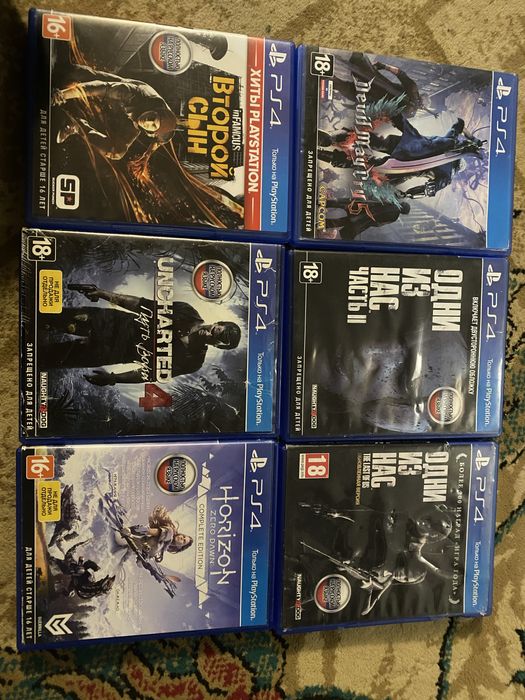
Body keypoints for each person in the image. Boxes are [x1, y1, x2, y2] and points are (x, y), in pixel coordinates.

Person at [40, 285, 241, 386]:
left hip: (108, 352)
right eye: (215, 329)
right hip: (106, 322)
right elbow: (142, 305)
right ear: (218, 323)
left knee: (45, 358)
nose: (209, 333)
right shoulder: (187, 312)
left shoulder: (193, 360)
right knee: (44, 318)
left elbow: (149, 374)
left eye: (215, 339)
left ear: (217, 346)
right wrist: (102, 293)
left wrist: (113, 379)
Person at [52, 71, 180, 159]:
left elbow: (159, 141)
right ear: (153, 110)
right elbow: (100, 88)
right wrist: (62, 95)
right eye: (152, 117)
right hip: (121, 94)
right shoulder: (133, 94)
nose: (147, 122)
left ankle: (76, 126)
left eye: (153, 126)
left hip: (132, 118)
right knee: (74, 74)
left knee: (118, 152)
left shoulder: (162, 135)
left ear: (153, 132)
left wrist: (147, 155)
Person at [116, 505, 193, 563]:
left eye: (184, 541)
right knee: (168, 533)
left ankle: (138, 556)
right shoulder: (170, 532)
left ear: (180, 547)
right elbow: (148, 531)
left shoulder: (165, 547)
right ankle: (131, 531)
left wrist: (144, 560)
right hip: (137, 536)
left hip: (138, 546)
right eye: (183, 536)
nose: (182, 538)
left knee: (159, 546)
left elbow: (155, 550)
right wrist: (132, 530)